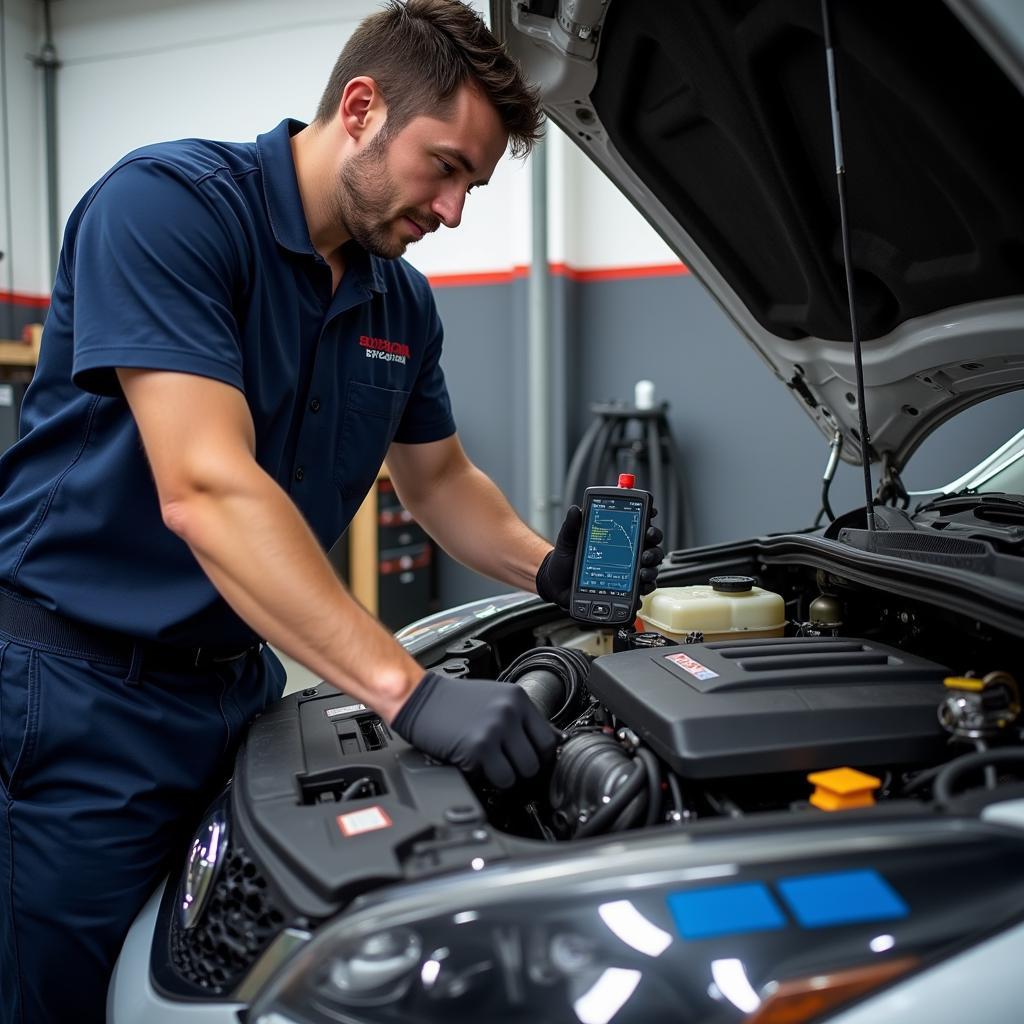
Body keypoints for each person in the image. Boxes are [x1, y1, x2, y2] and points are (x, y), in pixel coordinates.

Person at [0, 1, 663, 1021]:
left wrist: (547, 568)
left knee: (212, 980)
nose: (452, 212)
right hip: (79, 694)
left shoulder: (399, 302)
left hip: (237, 690)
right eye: (443, 167)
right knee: (65, 993)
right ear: (360, 109)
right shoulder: (167, 207)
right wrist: (409, 691)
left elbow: (440, 482)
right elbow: (206, 487)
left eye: (472, 187)